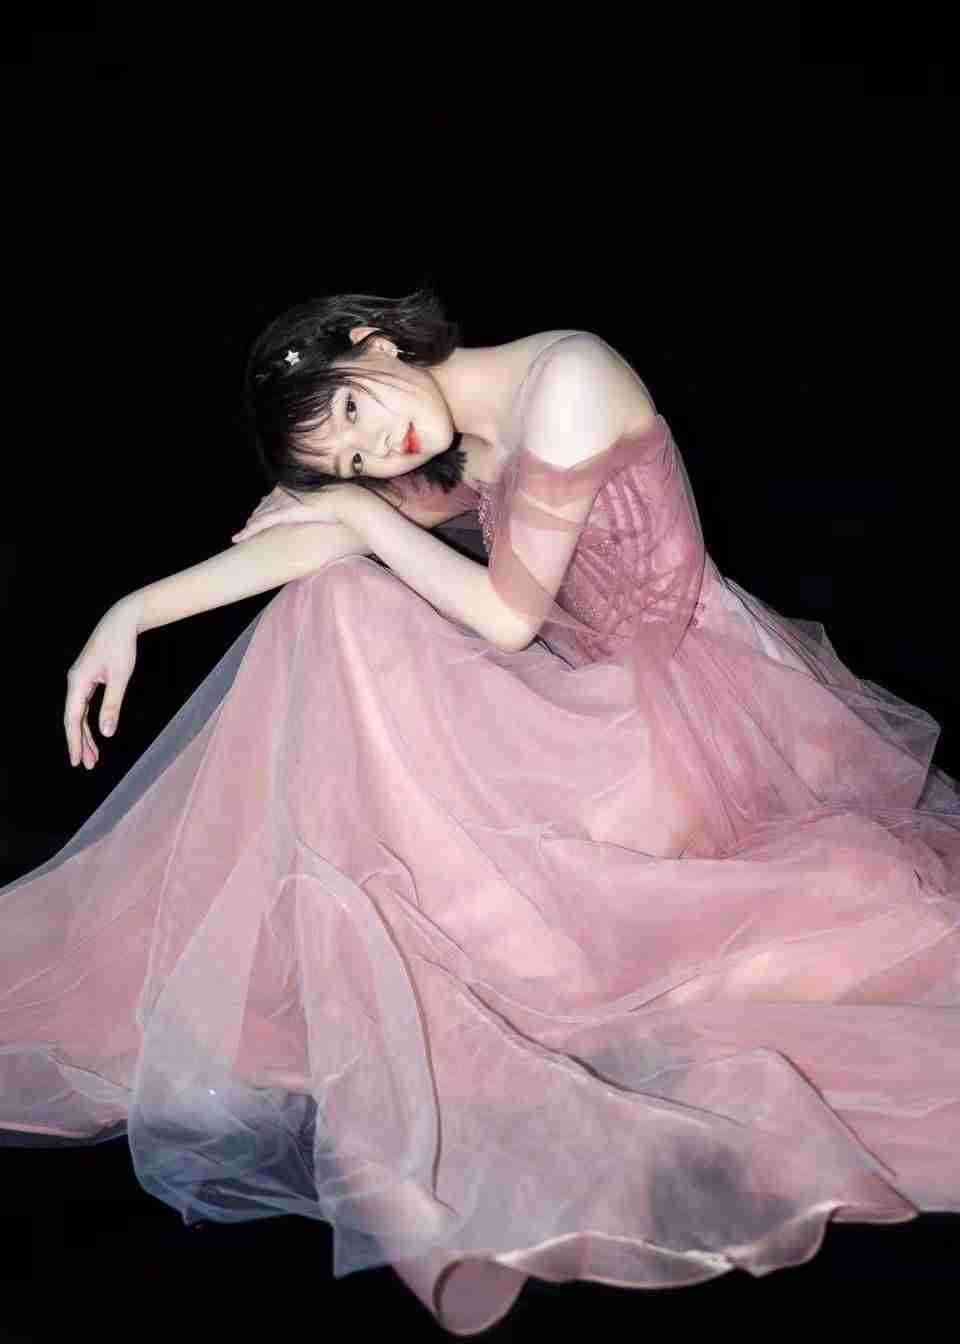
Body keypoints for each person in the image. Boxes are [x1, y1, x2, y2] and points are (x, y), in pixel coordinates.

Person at [2, 287, 958, 1337]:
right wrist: (133, 612)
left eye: (354, 413)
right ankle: (393, 943)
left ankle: (444, 957)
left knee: (355, 606)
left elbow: (503, 620)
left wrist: (359, 514)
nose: (375, 452)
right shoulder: (446, 442)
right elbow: (320, 551)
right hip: (583, 706)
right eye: (350, 458)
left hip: (683, 722)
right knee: (332, 603)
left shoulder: (570, 378)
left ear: (372, 341)